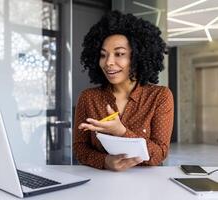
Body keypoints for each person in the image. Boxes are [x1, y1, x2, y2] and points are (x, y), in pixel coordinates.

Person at [73, 10, 174, 171]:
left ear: (137, 57)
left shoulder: (159, 96)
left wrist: (121, 132)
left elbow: (159, 153)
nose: (108, 62)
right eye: (103, 55)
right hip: (101, 184)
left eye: (119, 54)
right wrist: (105, 161)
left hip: (147, 186)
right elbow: (80, 148)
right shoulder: (88, 98)